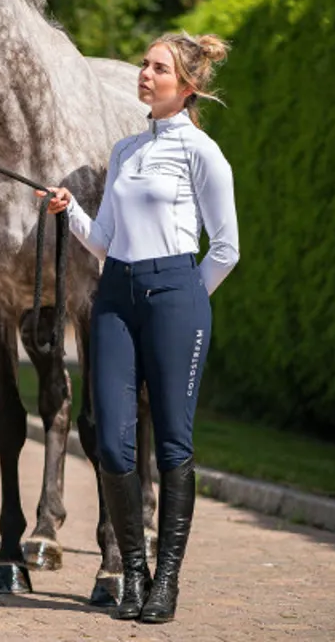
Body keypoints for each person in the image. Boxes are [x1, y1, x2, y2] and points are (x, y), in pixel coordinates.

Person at [38, 31, 240, 623]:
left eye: (158, 68)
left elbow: (225, 249)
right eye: (144, 65)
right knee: (109, 439)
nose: (144, 75)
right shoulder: (125, 150)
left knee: (174, 442)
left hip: (175, 294)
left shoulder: (202, 153)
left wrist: (180, 300)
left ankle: (166, 581)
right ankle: (131, 572)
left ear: (188, 86)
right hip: (116, 294)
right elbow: (103, 241)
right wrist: (68, 207)